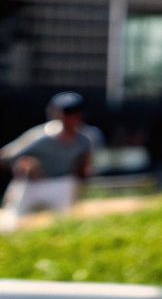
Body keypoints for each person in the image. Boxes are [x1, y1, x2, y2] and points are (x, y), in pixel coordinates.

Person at [0, 92, 103, 232]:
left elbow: (85, 166)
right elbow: (6, 156)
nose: (69, 118)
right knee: (9, 226)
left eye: (73, 113)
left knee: (65, 227)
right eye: (65, 113)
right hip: (31, 184)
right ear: (55, 113)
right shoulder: (41, 135)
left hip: (62, 183)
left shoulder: (88, 137)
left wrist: (82, 176)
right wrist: (22, 163)